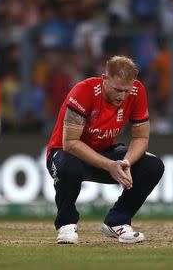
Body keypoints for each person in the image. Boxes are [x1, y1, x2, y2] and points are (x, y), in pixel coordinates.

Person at [46, 55, 164, 244]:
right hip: (65, 153)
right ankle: (66, 225)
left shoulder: (137, 91)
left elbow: (141, 137)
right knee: (69, 167)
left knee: (153, 166)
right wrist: (110, 165)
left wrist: (126, 162)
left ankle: (117, 222)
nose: (122, 96)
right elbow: (70, 143)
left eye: (126, 91)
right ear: (104, 79)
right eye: (117, 89)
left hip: (105, 152)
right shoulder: (83, 91)